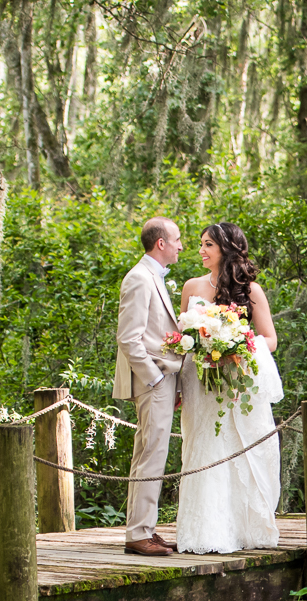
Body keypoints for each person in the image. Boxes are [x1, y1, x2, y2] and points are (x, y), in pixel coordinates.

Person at [173, 222, 284, 555]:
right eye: (200, 244)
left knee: (239, 446)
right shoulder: (191, 286)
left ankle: (242, 529)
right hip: (198, 381)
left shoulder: (249, 289)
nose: (201, 250)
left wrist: (235, 344)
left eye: (208, 244)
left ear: (226, 248)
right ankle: (204, 531)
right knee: (202, 448)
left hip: (236, 381)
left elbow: (271, 339)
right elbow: (181, 339)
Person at [112, 217, 185, 556]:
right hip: (152, 379)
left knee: (148, 454)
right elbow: (129, 338)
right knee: (151, 455)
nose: (181, 246)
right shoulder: (140, 279)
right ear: (161, 243)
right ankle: (139, 533)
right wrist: (155, 378)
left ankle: (142, 530)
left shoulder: (152, 277)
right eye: (177, 240)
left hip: (162, 378)